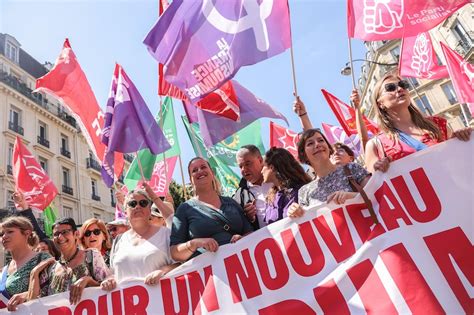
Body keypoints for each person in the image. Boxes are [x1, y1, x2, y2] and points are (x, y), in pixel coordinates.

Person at [362, 74, 472, 173]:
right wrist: (378, 168)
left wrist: (462, 137)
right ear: (380, 103)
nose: (400, 89)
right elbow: (374, 184)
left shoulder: (438, 124)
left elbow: (458, 158)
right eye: (390, 88)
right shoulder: (375, 145)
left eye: (403, 84)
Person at [170, 157, 253, 262]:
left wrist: (243, 238)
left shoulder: (231, 202)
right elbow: (174, 253)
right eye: (194, 171)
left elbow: (251, 233)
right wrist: (195, 243)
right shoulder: (184, 209)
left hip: (242, 264)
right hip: (211, 274)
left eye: (203, 167)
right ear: (191, 180)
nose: (200, 171)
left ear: (212, 173)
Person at [101, 189, 177, 291]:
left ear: (150, 209)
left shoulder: (166, 234)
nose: (137, 207)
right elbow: (113, 273)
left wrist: (163, 270)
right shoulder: (118, 241)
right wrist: (109, 280)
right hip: (125, 304)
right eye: (132, 204)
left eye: (143, 203)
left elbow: (183, 264)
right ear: (125, 211)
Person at [288, 129, 371, 217]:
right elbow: (306, 222)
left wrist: (351, 197)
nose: (317, 144)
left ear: (328, 147)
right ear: (303, 155)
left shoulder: (352, 168)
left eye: (320, 140)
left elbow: (375, 193)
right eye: (310, 143)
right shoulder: (304, 192)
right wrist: (294, 213)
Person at [27, 218, 110, 305]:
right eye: (56, 234)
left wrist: (88, 280)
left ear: (76, 234)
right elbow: (33, 305)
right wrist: (34, 273)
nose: (60, 237)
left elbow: (108, 289)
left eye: (65, 232)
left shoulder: (91, 255)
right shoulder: (50, 268)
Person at [0, 217, 50, 311]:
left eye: (10, 231)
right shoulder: (4, 270)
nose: (4, 236)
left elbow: (57, 291)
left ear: (27, 233)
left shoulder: (42, 259)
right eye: (2, 233)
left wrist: (27, 295)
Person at [261, 148, 311, 224]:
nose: (261, 171)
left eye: (263, 167)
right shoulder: (270, 199)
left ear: (271, 168)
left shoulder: (302, 190)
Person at [233, 145, 273, 230]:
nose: (244, 169)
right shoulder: (239, 197)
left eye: (248, 164)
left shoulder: (277, 178)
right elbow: (240, 228)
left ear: (260, 160)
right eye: (240, 166)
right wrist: (249, 218)